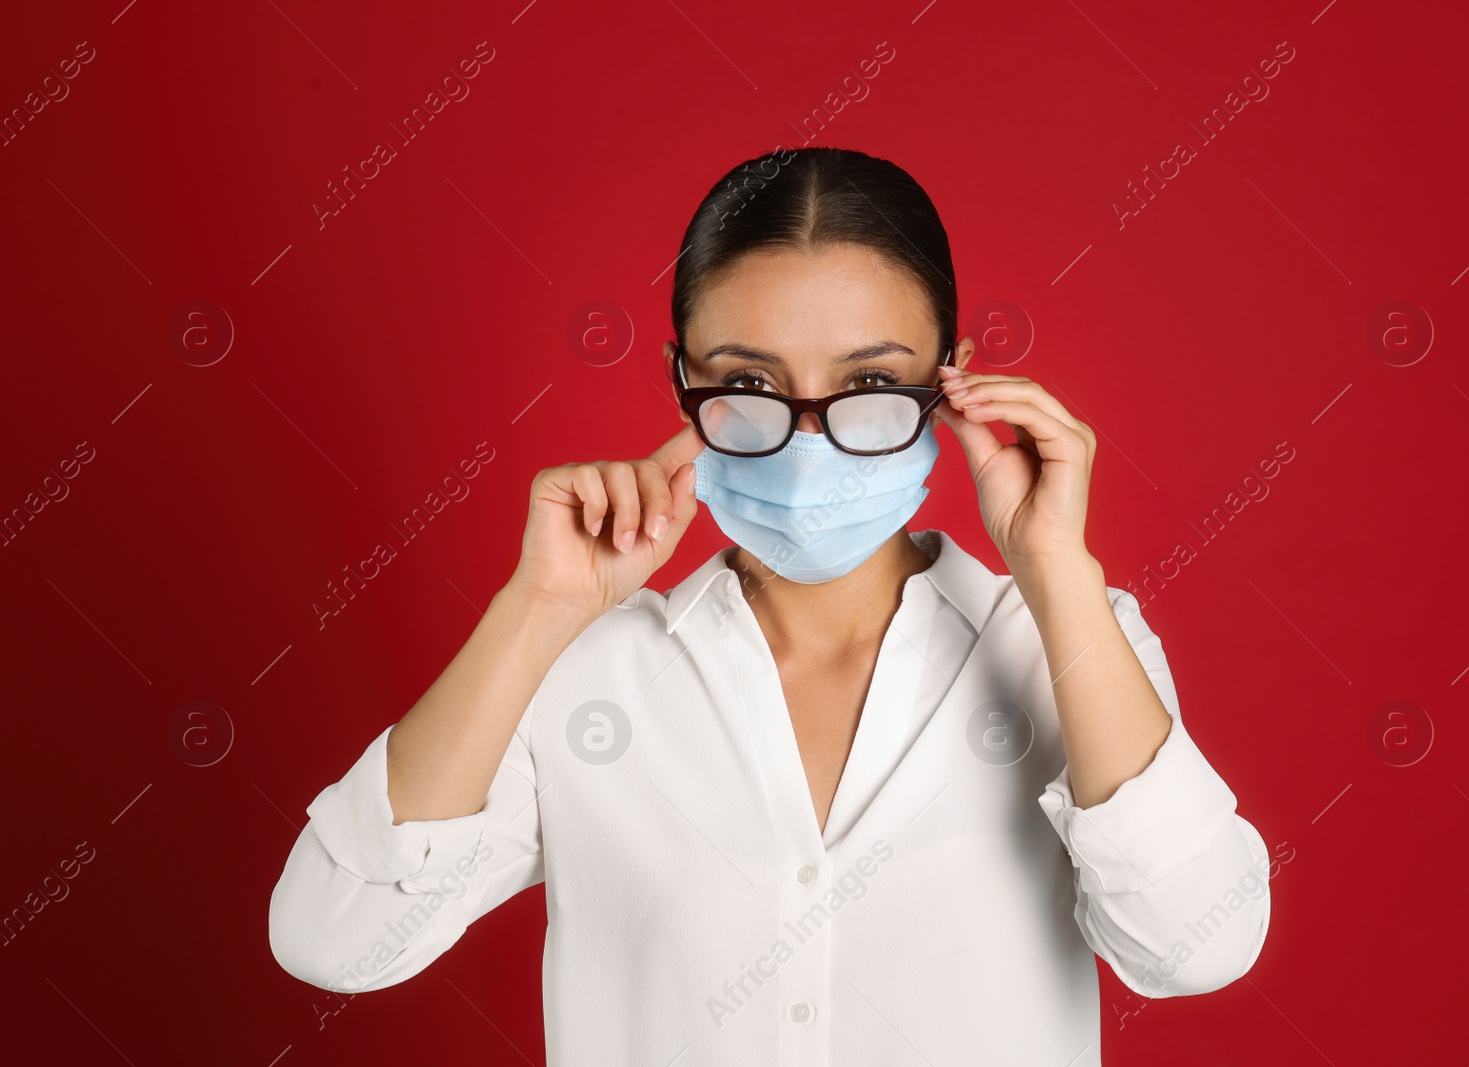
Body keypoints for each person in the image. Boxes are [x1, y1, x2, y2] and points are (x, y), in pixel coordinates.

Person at [268, 146, 1271, 1064]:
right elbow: (335, 938)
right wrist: (534, 613)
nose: (808, 437)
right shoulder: (584, 672)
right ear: (681, 383)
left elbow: (1197, 943)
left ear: (950, 380)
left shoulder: (1075, 646)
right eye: (748, 380)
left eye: (870, 380)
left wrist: (1055, 568)